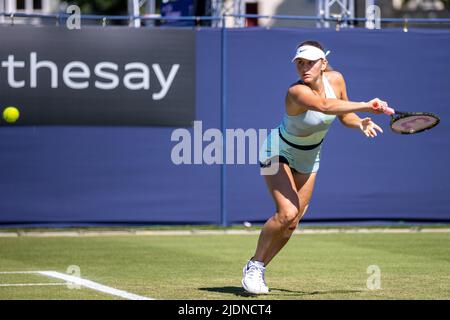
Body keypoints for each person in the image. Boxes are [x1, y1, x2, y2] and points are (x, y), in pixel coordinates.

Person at [241, 40, 388, 294]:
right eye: (300, 63)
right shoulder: (296, 92)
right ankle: (254, 265)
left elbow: (344, 115)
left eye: (310, 62)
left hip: (310, 157)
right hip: (277, 151)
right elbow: (325, 106)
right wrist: (367, 104)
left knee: (292, 222)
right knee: (286, 212)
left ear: (323, 63)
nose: (304, 67)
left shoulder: (337, 80)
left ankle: (260, 267)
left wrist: (359, 122)